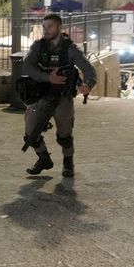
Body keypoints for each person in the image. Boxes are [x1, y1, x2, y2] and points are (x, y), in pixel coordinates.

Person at [22, 14, 96, 178]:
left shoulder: (70, 49)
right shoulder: (38, 46)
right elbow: (26, 66)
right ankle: (44, 159)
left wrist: (88, 85)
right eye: (44, 26)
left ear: (59, 28)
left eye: (50, 26)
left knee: (64, 134)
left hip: (63, 97)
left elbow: (89, 69)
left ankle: (68, 163)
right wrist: (48, 77)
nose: (46, 30)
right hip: (42, 94)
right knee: (30, 131)